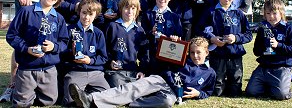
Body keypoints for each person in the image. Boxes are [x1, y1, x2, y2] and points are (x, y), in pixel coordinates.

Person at [68, 37, 216, 108]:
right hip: (162, 81)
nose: (195, 56)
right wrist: (173, 42)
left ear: (207, 52)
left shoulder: (210, 73)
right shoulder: (183, 58)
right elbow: (166, 59)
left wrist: (198, 94)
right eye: (192, 52)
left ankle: (128, 102)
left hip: (173, 94)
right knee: (133, 88)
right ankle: (89, 99)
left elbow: (207, 92)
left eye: (198, 53)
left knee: (166, 103)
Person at [6, 0, 68, 107]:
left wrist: (54, 47)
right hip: (28, 67)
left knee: (50, 101)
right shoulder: (26, 12)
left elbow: (64, 41)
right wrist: (26, 49)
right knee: (21, 104)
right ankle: (18, 91)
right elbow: (12, 35)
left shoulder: (59, 18)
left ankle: (28, 92)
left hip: (48, 68)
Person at [202, 0, 253, 97]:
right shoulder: (210, 12)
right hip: (217, 55)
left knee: (235, 90)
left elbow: (248, 34)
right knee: (217, 90)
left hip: (235, 55)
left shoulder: (239, 14)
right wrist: (212, 38)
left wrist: (236, 38)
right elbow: (201, 30)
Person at [246, 0, 292, 100]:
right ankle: (270, 86)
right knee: (251, 92)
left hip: (281, 67)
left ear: (281, 13)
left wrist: (278, 45)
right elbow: (256, 52)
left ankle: (284, 87)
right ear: (264, 14)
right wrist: (263, 45)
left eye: (274, 13)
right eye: (268, 13)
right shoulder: (262, 29)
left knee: (281, 95)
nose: (271, 16)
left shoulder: (288, 28)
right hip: (263, 67)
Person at [62, 0, 110, 106]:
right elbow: (61, 53)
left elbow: (103, 57)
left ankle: (87, 96)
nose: (86, 17)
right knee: (70, 101)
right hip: (75, 71)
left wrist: (90, 60)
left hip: (95, 73)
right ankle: (83, 95)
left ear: (96, 16)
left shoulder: (98, 33)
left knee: (107, 96)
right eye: (84, 13)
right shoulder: (69, 30)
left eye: (90, 14)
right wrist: (72, 53)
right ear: (79, 12)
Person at [105, 0, 149, 87]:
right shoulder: (112, 26)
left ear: (137, 10)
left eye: (133, 8)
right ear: (121, 9)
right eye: (127, 8)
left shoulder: (139, 30)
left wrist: (142, 70)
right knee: (118, 88)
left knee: (139, 89)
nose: (130, 11)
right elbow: (104, 49)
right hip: (115, 72)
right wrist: (110, 62)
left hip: (132, 71)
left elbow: (144, 54)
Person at [141, 0, 182, 75]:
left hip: (168, 56)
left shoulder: (175, 17)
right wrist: (151, 32)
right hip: (151, 55)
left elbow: (179, 36)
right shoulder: (148, 15)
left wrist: (175, 39)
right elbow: (142, 35)